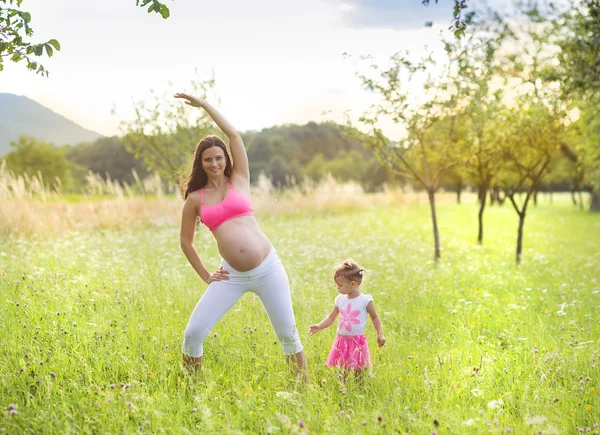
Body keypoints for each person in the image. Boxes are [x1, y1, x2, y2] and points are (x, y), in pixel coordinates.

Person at [175, 93, 306, 376]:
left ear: (226, 159)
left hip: (268, 268)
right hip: (231, 275)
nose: (214, 163)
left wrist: (205, 105)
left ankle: (304, 390)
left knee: (288, 334)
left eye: (219, 157)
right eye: (208, 159)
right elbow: (186, 243)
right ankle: (192, 392)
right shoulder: (196, 199)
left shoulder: (240, 179)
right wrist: (207, 275)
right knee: (193, 333)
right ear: (201, 162)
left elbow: (233, 134)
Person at [308, 260, 385, 375]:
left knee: (359, 369)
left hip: (357, 340)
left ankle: (360, 389)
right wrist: (319, 326)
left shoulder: (365, 300)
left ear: (353, 284)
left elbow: (375, 318)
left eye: (340, 285)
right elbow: (331, 317)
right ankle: (343, 388)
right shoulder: (340, 299)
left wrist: (380, 333)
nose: (338, 288)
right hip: (342, 340)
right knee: (343, 369)